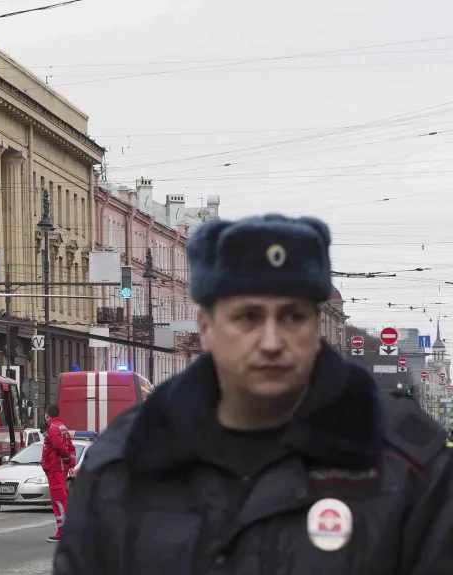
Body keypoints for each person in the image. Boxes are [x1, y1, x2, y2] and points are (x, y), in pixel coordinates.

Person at [54, 214, 453, 574]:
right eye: (248, 317)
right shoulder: (127, 462)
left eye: (292, 317)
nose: (271, 341)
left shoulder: (405, 461)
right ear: (206, 325)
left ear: (317, 326)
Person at [40, 404, 75, 543]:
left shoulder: (53, 429)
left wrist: (66, 457)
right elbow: (71, 447)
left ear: (47, 415)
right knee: (62, 499)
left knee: (58, 501)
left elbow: (60, 447)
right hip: (59, 468)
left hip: (55, 468)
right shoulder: (63, 427)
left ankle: (63, 532)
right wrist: (70, 463)